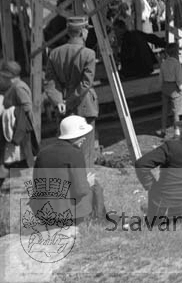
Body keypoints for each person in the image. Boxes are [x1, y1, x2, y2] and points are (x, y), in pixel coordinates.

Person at [31, 115, 107, 223]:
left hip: (42, 209)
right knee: (95, 186)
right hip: (65, 212)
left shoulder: (42, 153)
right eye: (82, 135)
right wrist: (87, 183)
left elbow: (36, 185)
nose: (84, 138)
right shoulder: (75, 153)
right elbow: (80, 190)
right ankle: (100, 221)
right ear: (73, 135)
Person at [45, 18, 98, 167]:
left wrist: (59, 101)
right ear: (82, 32)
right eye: (87, 30)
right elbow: (86, 83)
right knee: (86, 153)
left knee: (66, 151)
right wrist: (69, 102)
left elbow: (50, 82)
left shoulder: (54, 53)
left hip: (63, 109)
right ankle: (84, 185)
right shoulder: (89, 54)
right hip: (84, 106)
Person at [1, 61, 38, 181]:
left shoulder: (18, 87)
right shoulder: (13, 87)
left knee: (23, 159)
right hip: (16, 129)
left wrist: (14, 117)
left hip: (19, 130)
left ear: (8, 76)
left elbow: (26, 108)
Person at [159, 43, 182, 137]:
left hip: (165, 87)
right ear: (176, 53)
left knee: (164, 110)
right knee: (176, 110)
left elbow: (160, 77)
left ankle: (163, 130)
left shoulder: (164, 63)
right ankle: (177, 131)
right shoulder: (177, 64)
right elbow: (179, 77)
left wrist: (161, 86)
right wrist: (181, 86)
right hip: (174, 87)